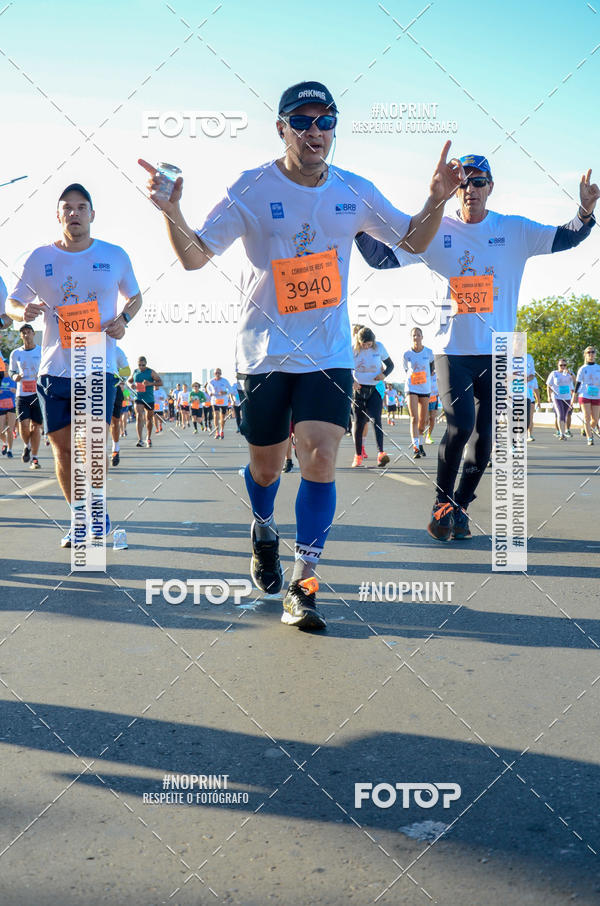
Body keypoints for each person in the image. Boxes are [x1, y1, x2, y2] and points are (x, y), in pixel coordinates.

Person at [140, 79, 463, 629]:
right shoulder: (250, 187)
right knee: (265, 470)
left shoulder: (353, 189)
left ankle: (304, 583)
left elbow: (411, 241)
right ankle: (263, 529)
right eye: (304, 120)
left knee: (318, 454)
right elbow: (195, 257)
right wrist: (172, 211)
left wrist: (435, 200)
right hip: (263, 355)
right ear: (282, 128)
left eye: (326, 121)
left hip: (327, 354)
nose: (316, 132)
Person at [356, 157, 598, 540]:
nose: (471, 189)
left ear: (490, 187)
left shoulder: (513, 230)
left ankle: (460, 506)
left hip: (498, 351)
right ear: (455, 189)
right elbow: (380, 257)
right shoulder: (435, 229)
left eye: (478, 182)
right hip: (452, 349)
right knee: (461, 423)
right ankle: (441, 501)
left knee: (486, 435)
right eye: (463, 183)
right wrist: (354, 224)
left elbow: (566, 235)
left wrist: (584, 211)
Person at [6, 183, 142, 546]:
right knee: (63, 449)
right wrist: (25, 310)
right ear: (58, 215)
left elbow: (135, 296)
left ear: (92, 214)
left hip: (98, 365)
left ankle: (96, 514)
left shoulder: (114, 256)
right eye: (67, 208)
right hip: (54, 371)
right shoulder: (38, 259)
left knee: (91, 445)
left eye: (82, 207)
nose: (75, 213)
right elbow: (12, 304)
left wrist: (124, 321)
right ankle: (79, 517)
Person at [351, 326, 393, 467]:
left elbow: (390, 365)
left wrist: (384, 375)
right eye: (364, 344)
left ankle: (381, 453)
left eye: (369, 344)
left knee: (377, 420)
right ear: (359, 341)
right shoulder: (353, 349)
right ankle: (358, 456)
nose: (367, 347)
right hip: (359, 391)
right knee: (359, 423)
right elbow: (344, 368)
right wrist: (353, 381)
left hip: (374, 389)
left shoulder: (379, 347)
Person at [9, 323, 43, 468]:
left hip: (38, 394)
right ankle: (26, 445)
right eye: (23, 333)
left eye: (28, 332)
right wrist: (15, 376)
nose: (26, 335)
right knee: (24, 426)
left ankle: (34, 458)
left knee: (36, 427)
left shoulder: (42, 351)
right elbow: (11, 371)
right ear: (20, 336)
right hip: (22, 395)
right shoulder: (15, 353)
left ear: (33, 334)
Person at [402, 327, 434, 458]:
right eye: (414, 335)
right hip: (411, 387)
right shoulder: (407, 354)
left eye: (418, 335)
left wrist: (426, 375)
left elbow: (432, 366)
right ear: (411, 337)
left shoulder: (429, 352)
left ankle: (420, 444)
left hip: (425, 388)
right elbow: (406, 370)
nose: (416, 337)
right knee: (414, 418)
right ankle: (415, 448)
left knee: (423, 421)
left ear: (422, 336)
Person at [129, 356, 161, 447]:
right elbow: (128, 381)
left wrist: (150, 383)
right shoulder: (135, 372)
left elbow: (160, 382)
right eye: (139, 365)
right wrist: (131, 385)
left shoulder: (151, 372)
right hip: (138, 397)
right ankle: (140, 439)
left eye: (143, 365)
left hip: (149, 399)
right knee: (139, 415)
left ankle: (148, 437)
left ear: (146, 364)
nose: (141, 367)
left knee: (149, 419)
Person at [574, 346, 600, 445]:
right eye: (589, 352)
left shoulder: (598, 368)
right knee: (587, 416)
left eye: (593, 352)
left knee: (595, 419)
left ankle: (587, 429)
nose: (591, 354)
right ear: (585, 354)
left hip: (596, 395)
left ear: (595, 354)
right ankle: (589, 438)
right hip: (584, 394)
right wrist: (574, 396)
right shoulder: (582, 368)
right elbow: (578, 383)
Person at [110, 345, 130, 466]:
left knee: (115, 421)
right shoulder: (90, 347)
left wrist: (117, 377)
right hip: (95, 388)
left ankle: (115, 449)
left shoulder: (116, 350)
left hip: (114, 388)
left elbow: (127, 371)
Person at [546, 357, 574, 440]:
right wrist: (548, 396)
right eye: (561, 365)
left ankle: (563, 431)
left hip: (567, 397)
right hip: (556, 397)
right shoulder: (554, 373)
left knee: (565, 415)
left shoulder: (569, 374)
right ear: (558, 365)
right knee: (560, 414)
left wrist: (570, 374)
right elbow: (548, 385)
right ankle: (562, 434)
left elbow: (575, 383)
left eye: (564, 365)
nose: (563, 367)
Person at [207, 369, 233, 439]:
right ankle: (216, 432)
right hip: (215, 400)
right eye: (216, 373)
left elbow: (230, 389)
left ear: (221, 373)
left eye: (219, 373)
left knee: (223, 417)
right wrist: (210, 393)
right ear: (214, 374)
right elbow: (208, 388)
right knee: (215, 415)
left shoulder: (225, 381)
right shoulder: (211, 381)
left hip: (223, 401)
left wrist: (225, 392)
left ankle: (221, 430)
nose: (217, 374)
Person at [0, 364, 17, 458]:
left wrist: (15, 390)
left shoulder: (13, 378)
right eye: (3, 365)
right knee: (0, 430)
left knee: (10, 429)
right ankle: (5, 443)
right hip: (0, 406)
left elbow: (20, 390)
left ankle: (10, 450)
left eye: (7, 365)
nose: (5, 367)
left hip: (11, 405)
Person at [426, 370, 439, 444]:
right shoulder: (425, 373)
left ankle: (428, 436)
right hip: (425, 397)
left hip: (434, 398)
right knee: (425, 419)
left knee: (432, 418)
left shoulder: (438, 374)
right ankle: (423, 430)